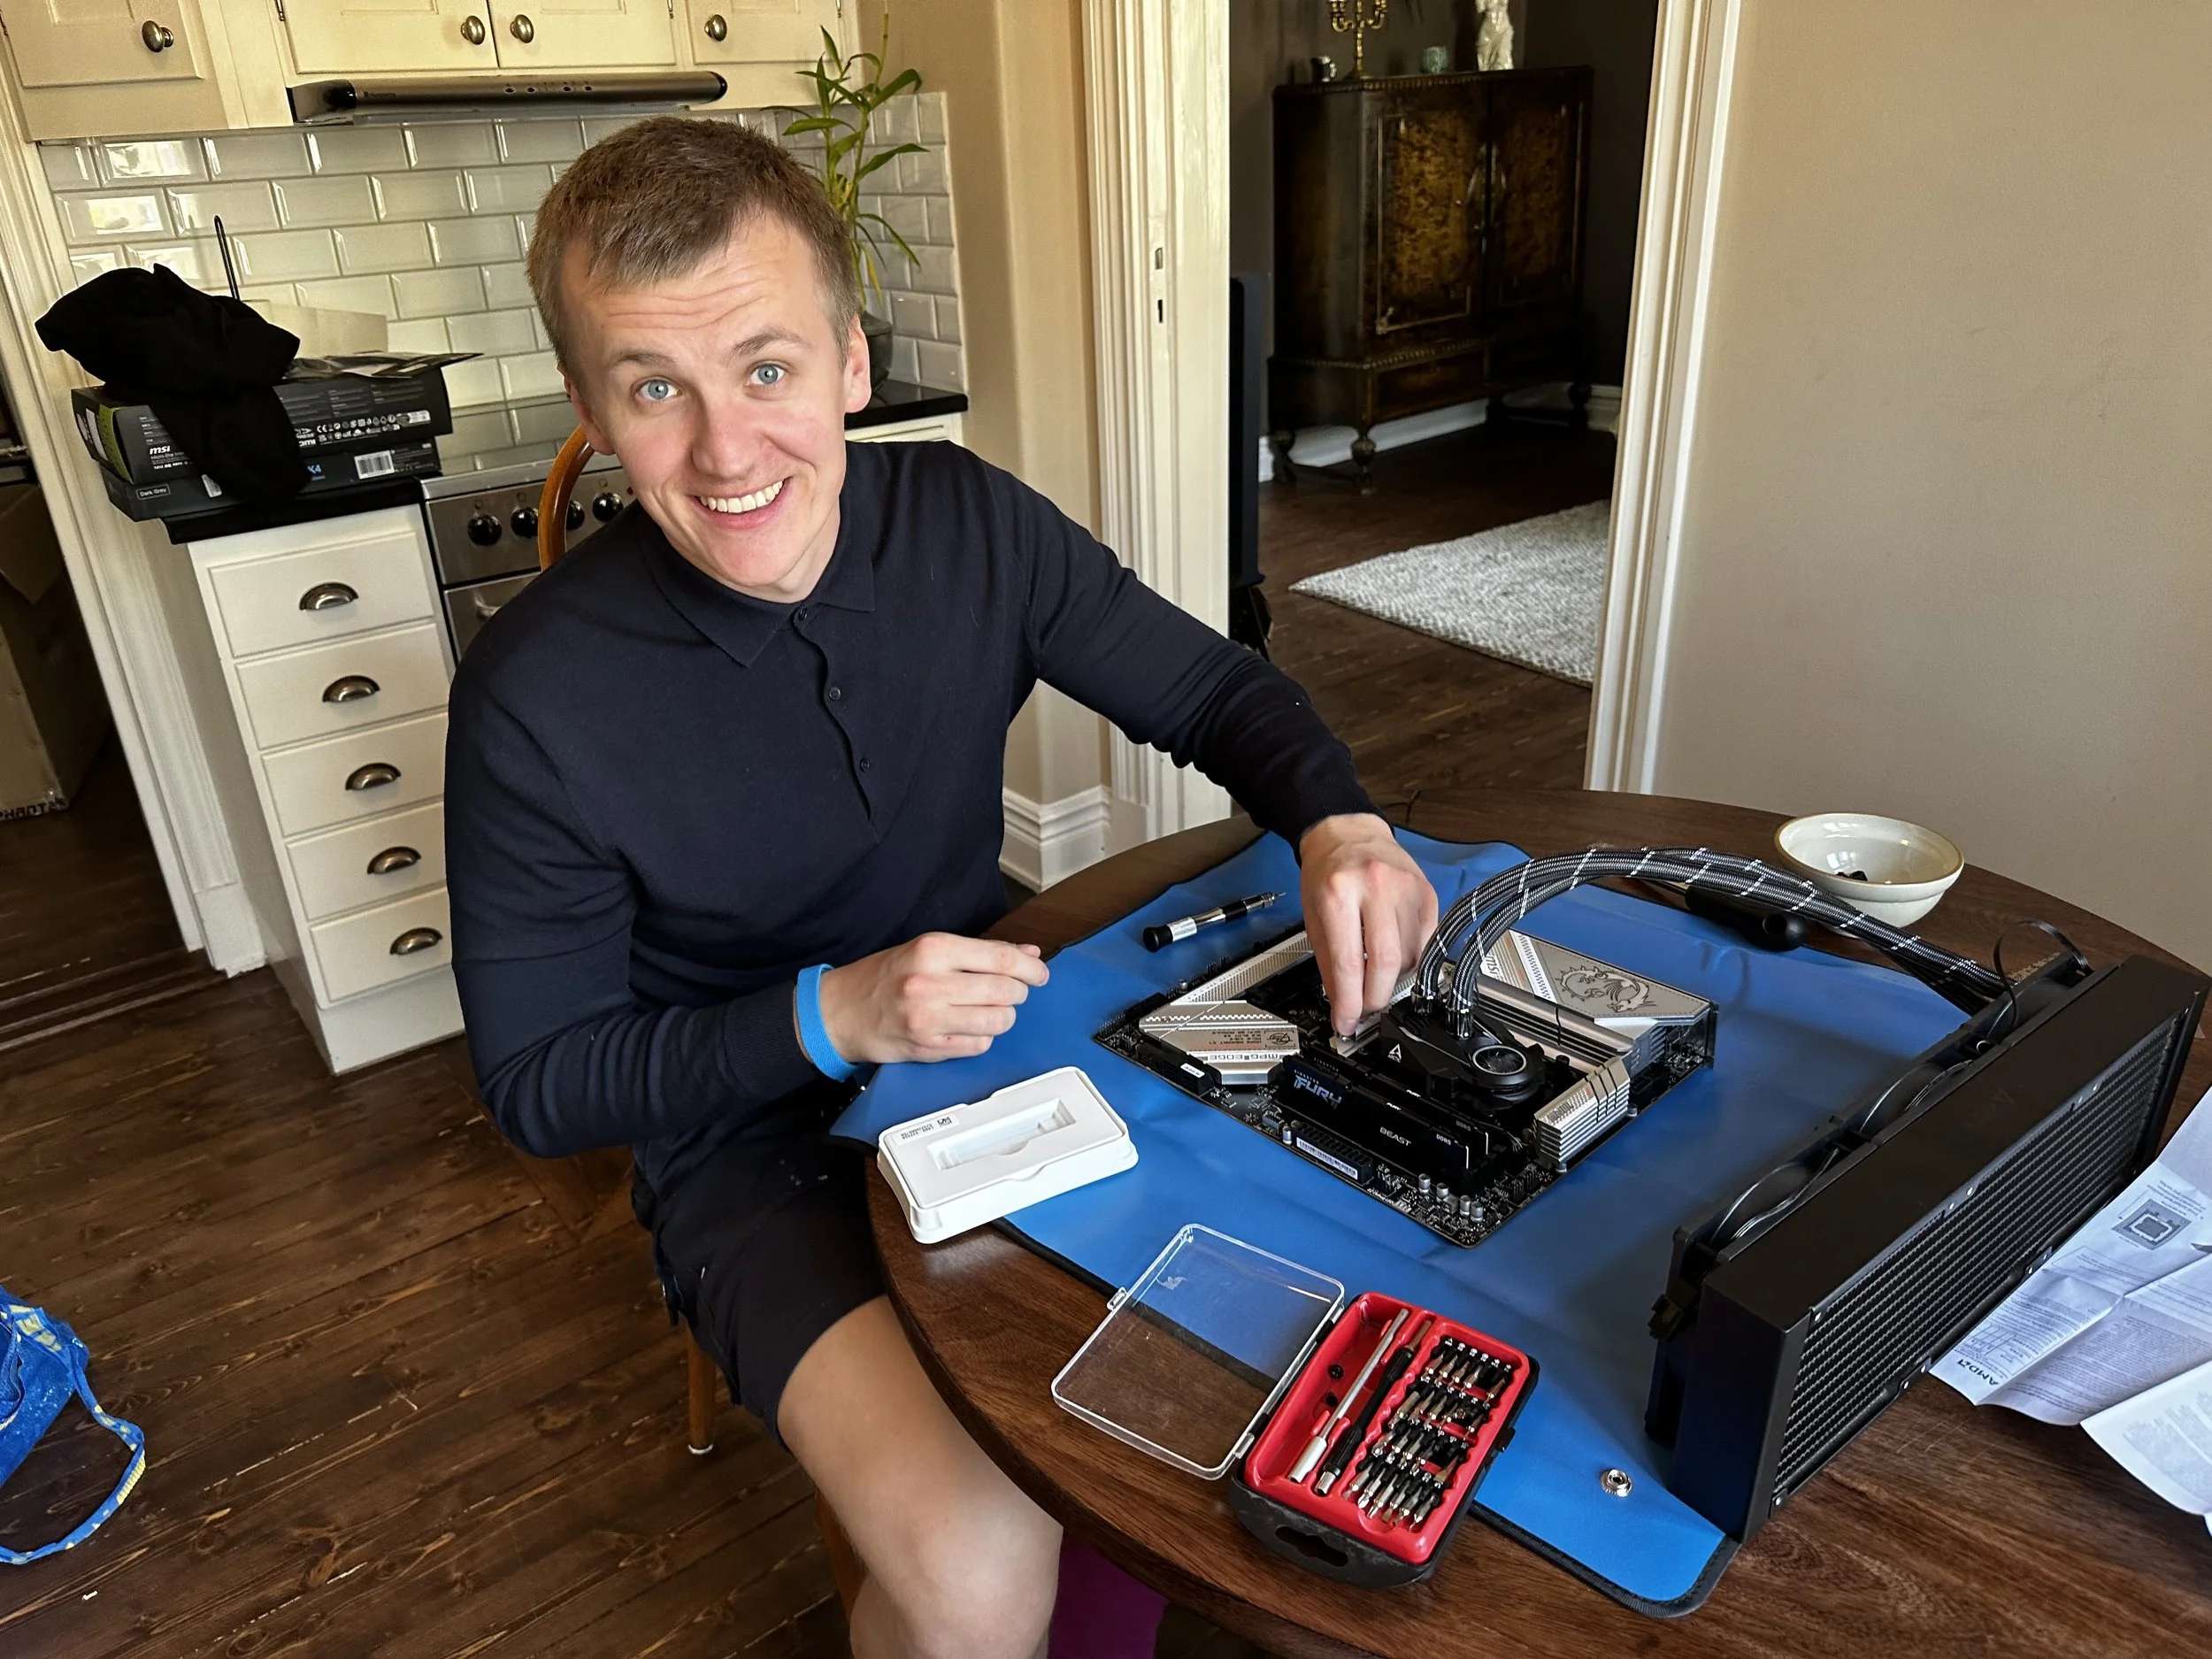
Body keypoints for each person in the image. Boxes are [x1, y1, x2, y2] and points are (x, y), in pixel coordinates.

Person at [445, 116, 1437, 1659]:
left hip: (1002, 1062)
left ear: (850, 359)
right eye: (657, 389)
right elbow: (540, 1084)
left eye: (766, 367)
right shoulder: (532, 694)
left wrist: (1339, 827)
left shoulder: (965, 518)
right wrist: (830, 1015)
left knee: (1291, 1357)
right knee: (975, 1561)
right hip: (750, 1150)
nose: (724, 450)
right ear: (591, 405)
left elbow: (1218, 693)